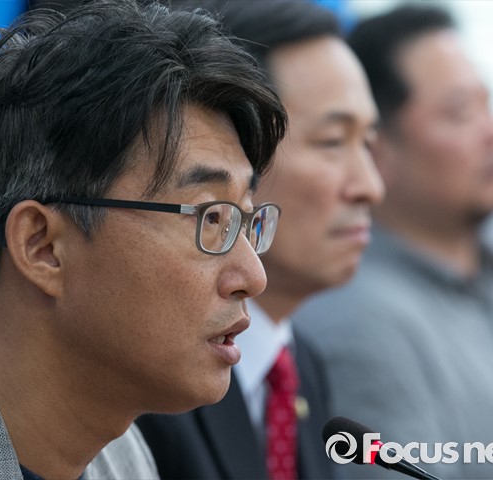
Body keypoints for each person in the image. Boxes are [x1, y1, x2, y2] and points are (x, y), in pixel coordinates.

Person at [0, 1, 288, 478]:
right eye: (210, 219)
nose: (253, 276)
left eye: (245, 219)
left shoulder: (119, 452)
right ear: (42, 246)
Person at [294, 5, 493, 479]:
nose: (492, 132)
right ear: (380, 149)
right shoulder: (357, 319)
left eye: (488, 104)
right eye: (460, 112)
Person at [137, 1, 384, 478]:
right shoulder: (149, 374)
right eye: (333, 142)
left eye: (369, 143)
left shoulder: (301, 365)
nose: (370, 187)